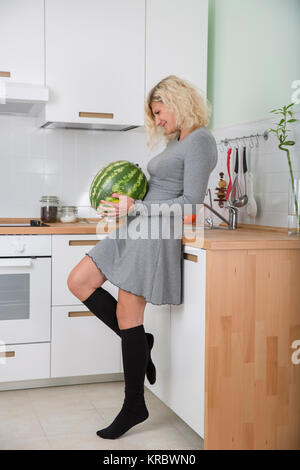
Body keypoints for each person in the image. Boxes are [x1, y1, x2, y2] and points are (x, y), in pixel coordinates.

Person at [67, 75, 218, 440]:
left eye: (158, 111)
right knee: (79, 282)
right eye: (154, 114)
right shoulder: (176, 141)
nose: (157, 120)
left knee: (127, 314)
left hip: (154, 232)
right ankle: (140, 343)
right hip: (135, 224)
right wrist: (124, 205)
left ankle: (134, 403)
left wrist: (137, 206)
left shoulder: (201, 141)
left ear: (178, 101)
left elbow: (191, 206)